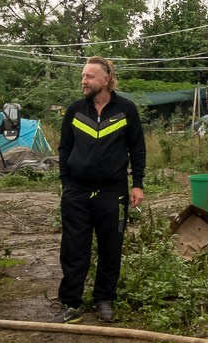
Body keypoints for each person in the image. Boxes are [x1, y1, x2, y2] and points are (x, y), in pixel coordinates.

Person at [56, 57, 145, 323]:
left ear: (106, 79)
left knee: (110, 248)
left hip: (113, 192)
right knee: (73, 248)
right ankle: (71, 303)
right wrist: (66, 183)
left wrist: (137, 183)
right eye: (83, 76)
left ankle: (104, 299)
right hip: (77, 192)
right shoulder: (75, 111)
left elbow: (137, 149)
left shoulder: (126, 110)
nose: (84, 81)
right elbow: (64, 149)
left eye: (89, 77)